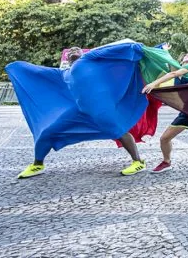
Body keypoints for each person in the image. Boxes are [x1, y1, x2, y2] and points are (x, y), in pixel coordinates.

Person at [11, 43, 154, 179]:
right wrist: (19, 68)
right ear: (66, 58)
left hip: (101, 109)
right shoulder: (63, 73)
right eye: (70, 51)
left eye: (76, 49)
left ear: (82, 53)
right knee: (47, 132)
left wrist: (134, 47)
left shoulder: (89, 57)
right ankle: (37, 164)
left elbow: (112, 50)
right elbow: (40, 72)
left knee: (119, 131)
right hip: (80, 112)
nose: (73, 51)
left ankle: (138, 162)